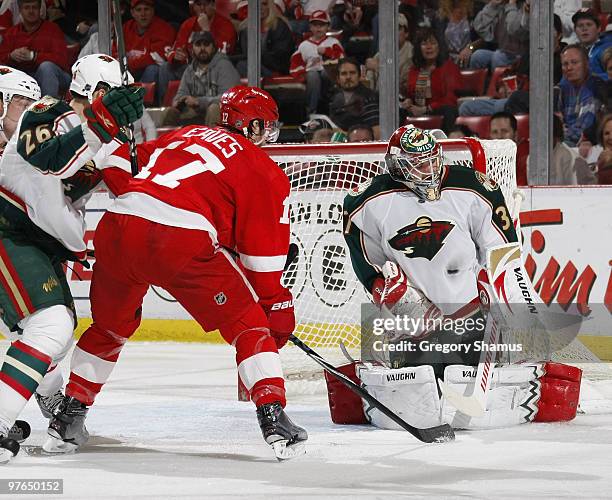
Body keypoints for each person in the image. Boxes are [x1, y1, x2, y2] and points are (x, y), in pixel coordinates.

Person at [45, 86, 308, 461]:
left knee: (109, 328)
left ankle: (68, 417)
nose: (268, 135)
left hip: (119, 224)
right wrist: (273, 301)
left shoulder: (184, 134)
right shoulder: (262, 167)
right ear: (250, 127)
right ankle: (274, 418)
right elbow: (262, 253)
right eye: (264, 127)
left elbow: (118, 164)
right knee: (249, 327)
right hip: (178, 239)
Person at [0, 61, 144, 462]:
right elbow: (51, 158)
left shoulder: (109, 141)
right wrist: (101, 123)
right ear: (96, 92)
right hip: (8, 228)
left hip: (38, 242)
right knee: (50, 324)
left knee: (56, 334)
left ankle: (45, 399)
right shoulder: (45, 111)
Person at [343, 124, 518, 375]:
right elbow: (369, 265)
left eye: (433, 160)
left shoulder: (473, 187)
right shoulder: (367, 202)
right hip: (413, 327)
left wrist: (501, 296)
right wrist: (386, 293)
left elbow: (503, 253)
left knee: (480, 398)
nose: (431, 169)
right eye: (420, 163)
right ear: (397, 165)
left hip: (471, 316)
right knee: (416, 400)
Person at [158, 0, 236, 104]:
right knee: (165, 68)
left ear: (213, 5)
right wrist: (176, 56)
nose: (202, 8)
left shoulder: (226, 25)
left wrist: (206, 29)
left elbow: (221, 55)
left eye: (206, 4)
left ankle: (205, 103)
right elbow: (174, 50)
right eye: (199, 4)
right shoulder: (188, 24)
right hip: (191, 69)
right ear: (193, 7)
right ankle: (166, 108)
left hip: (215, 70)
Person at [162, 31, 240, 127]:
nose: (202, 48)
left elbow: (229, 99)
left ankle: (213, 141)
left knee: (214, 109)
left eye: (206, 44)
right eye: (198, 45)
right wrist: (180, 101)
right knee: (171, 112)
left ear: (213, 47)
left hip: (226, 116)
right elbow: (180, 94)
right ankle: (170, 141)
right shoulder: (190, 70)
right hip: (198, 114)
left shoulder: (224, 66)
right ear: (192, 49)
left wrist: (199, 101)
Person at [0, 0, 70, 98]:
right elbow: (1, 57)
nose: (31, 11)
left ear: (40, 10)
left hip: (56, 76)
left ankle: (48, 110)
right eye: (27, 8)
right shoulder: (12, 32)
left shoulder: (53, 29)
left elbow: (62, 59)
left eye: (34, 7)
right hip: (25, 77)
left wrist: (34, 56)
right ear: (20, 10)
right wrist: (10, 56)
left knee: (46, 67)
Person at [402, 28, 461, 133]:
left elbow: (450, 98)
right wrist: (409, 101)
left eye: (433, 43)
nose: (429, 47)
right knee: (398, 112)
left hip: (440, 110)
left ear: (439, 46)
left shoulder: (448, 67)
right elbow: (410, 94)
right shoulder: (414, 70)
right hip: (417, 110)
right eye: (424, 44)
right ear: (418, 48)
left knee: (449, 110)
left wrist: (426, 109)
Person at [289, 9, 344, 115]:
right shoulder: (304, 45)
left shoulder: (333, 42)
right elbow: (295, 65)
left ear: (328, 26)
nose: (318, 28)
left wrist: (328, 52)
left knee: (324, 73)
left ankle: (333, 107)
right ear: (310, 27)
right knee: (313, 75)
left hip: (329, 75)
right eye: (315, 25)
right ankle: (311, 111)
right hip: (311, 76)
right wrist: (302, 75)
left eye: (322, 25)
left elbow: (342, 60)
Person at [122, 0, 176, 103]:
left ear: (153, 11)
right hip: (129, 72)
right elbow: (115, 52)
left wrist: (130, 64)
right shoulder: (126, 28)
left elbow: (156, 58)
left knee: (153, 69)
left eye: (146, 9)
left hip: (149, 72)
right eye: (138, 10)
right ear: (132, 13)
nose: (143, 14)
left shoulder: (164, 29)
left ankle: (142, 105)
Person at [557, 44, 607, 147]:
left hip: (587, 146)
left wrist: (559, 140)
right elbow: (554, 125)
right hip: (563, 143)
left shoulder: (595, 87)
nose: (569, 68)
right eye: (565, 64)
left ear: (586, 64)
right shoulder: (560, 90)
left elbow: (583, 129)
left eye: (574, 63)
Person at [234, 0, 294, 78]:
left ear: (270, 7)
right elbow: (240, 52)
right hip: (251, 66)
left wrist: (253, 57)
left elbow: (280, 57)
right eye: (257, 4)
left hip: (274, 70)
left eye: (264, 4)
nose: (260, 8)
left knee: (243, 66)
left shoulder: (280, 26)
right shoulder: (245, 29)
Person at [469, 0, 530, 71]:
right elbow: (480, 28)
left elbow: (514, 30)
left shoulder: (526, 6)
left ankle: (497, 82)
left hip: (521, 57)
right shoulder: (501, 7)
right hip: (503, 52)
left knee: (498, 57)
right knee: (477, 56)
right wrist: (492, 5)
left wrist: (511, 5)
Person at [329, 57, 380, 139]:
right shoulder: (335, 99)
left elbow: (377, 134)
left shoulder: (369, 98)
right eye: (344, 74)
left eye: (352, 73)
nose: (348, 77)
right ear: (338, 79)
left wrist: (343, 134)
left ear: (359, 76)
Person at [364, 13, 413, 91]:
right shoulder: (380, 54)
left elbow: (403, 87)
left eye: (398, 28)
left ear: (406, 33)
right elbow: (369, 83)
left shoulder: (412, 55)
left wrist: (379, 68)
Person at [489, 110, 528, 186]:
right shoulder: (485, 157)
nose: (499, 136)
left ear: (515, 134)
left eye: (504, 131)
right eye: (495, 132)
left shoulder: (525, 154)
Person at [572, 8, 612, 81]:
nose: (584, 29)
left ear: (599, 28)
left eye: (589, 24)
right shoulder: (572, 52)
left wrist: (589, 77)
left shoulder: (607, 49)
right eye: (580, 25)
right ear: (575, 30)